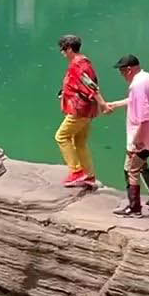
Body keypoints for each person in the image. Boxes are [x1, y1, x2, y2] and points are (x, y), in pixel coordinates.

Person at [101, 55, 149, 216]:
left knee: (130, 169)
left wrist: (137, 140)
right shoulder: (146, 77)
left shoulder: (136, 85)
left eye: (122, 71)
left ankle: (134, 207)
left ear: (129, 70)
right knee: (141, 164)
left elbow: (144, 116)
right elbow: (135, 101)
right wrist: (116, 104)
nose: (121, 75)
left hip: (142, 136)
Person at [54, 34, 105, 191]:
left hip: (79, 110)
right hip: (86, 110)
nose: (62, 53)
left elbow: (90, 85)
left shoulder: (77, 64)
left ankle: (76, 171)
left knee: (61, 137)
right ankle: (89, 175)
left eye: (63, 50)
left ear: (69, 49)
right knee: (79, 141)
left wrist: (102, 102)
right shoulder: (84, 62)